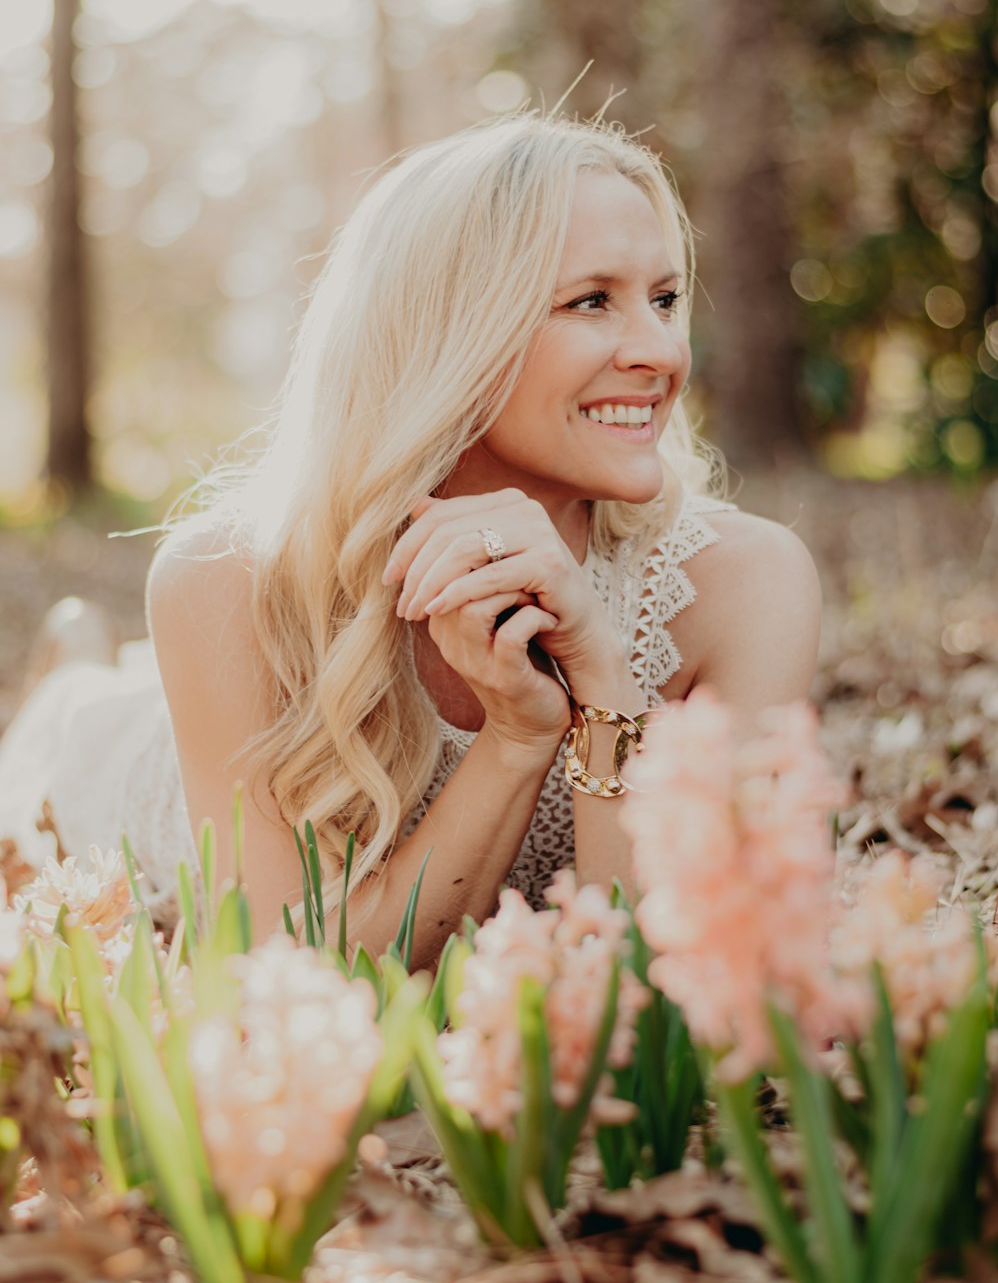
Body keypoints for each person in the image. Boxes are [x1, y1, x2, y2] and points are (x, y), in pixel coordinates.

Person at [0, 114, 820, 965]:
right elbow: (302, 974)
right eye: (590, 301)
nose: (661, 351)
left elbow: (673, 979)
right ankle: (75, 668)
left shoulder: (746, 582)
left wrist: (601, 683)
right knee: (69, 729)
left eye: (664, 298)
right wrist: (515, 739)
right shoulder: (224, 577)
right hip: (126, 773)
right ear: (452, 333)